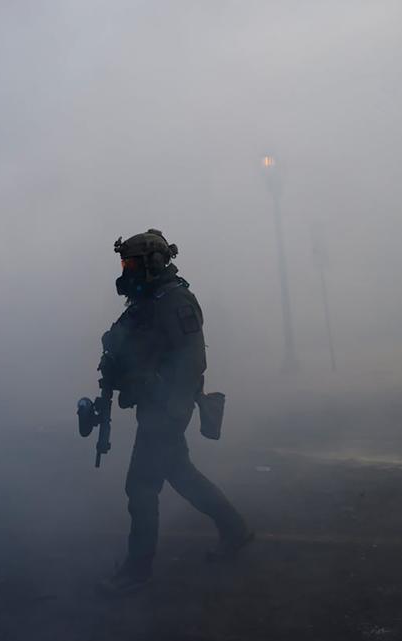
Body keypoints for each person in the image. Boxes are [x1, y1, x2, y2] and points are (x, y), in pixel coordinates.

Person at [95, 229, 251, 597]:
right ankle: (235, 529)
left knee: (141, 487)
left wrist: (171, 409)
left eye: (132, 262)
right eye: (124, 263)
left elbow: (192, 360)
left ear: (153, 261)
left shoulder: (174, 300)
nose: (127, 270)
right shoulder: (145, 302)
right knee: (181, 474)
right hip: (154, 405)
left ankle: (137, 569)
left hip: (166, 408)